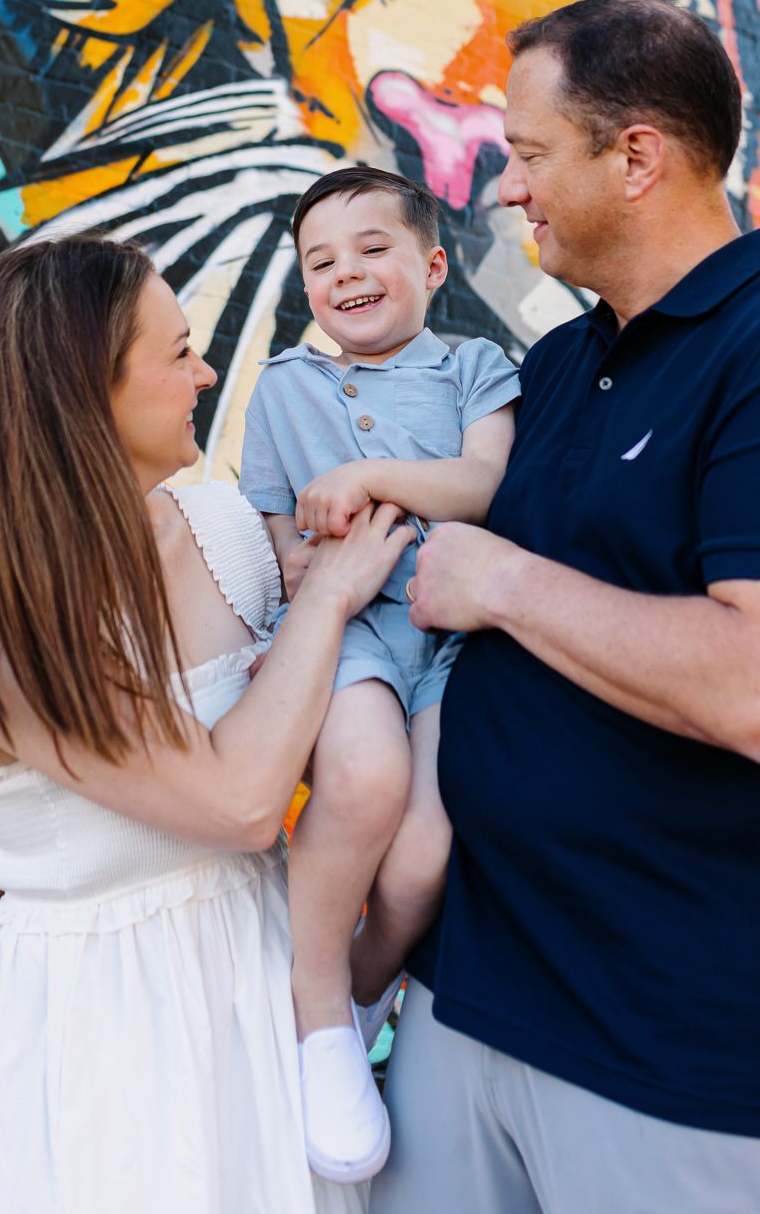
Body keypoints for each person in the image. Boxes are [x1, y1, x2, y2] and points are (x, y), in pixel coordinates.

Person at [373, 0, 760, 1214]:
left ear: (635, 157)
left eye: (526, 154)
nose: (503, 188)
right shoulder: (562, 360)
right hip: (466, 996)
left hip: (673, 1046)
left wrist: (500, 579)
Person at [0, 234, 413, 1214]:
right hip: (106, 1027)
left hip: (256, 983)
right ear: (87, 391)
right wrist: (331, 596)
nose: (206, 371)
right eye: (177, 353)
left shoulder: (220, 528)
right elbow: (244, 800)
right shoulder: (10, 637)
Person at [239, 166, 520, 1183]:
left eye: (371, 248)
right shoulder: (284, 385)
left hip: (449, 636)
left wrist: (369, 477)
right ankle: (319, 1011)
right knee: (361, 781)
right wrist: (295, 575)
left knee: (420, 856)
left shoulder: (474, 366)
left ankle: (356, 993)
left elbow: (485, 484)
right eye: (320, 260)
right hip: (348, 626)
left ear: (431, 264)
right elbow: (269, 519)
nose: (345, 272)